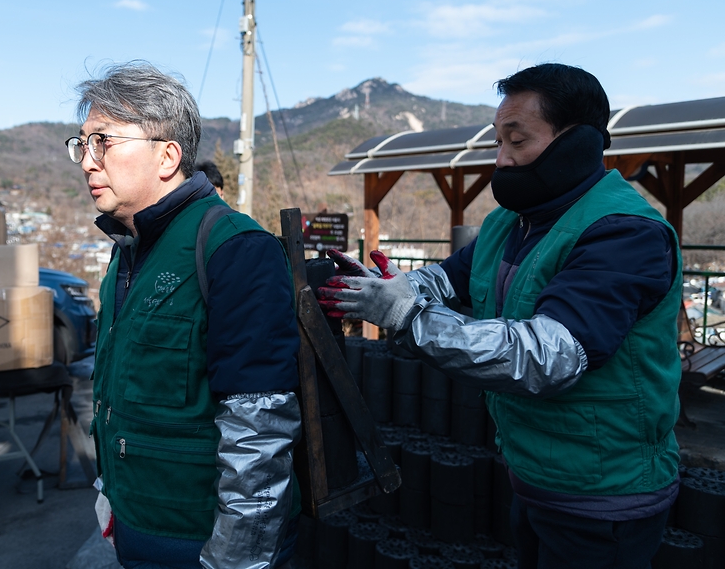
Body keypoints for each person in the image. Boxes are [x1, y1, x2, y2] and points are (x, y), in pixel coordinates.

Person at [318, 63, 681, 569]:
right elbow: (446, 280)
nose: (502, 160)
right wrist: (389, 287)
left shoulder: (624, 232)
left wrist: (404, 315)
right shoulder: (508, 223)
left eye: (518, 141)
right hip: (532, 472)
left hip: (603, 493)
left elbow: (548, 356)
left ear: (576, 144)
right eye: (497, 142)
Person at [66, 61, 302, 569]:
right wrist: (109, 489)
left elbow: (259, 429)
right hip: (135, 524)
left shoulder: (234, 248)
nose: (87, 161)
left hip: (197, 540)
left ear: (167, 155)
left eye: (102, 142)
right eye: (81, 145)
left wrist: (235, 558)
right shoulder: (126, 251)